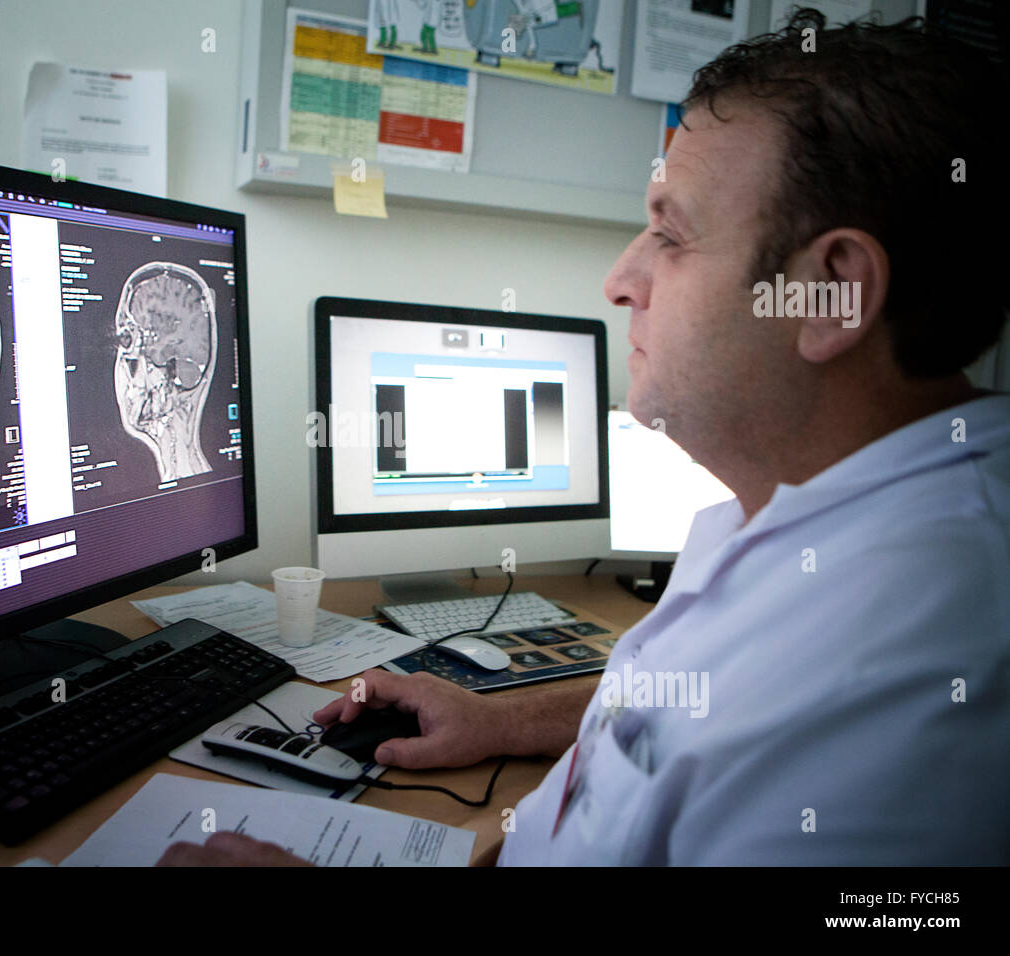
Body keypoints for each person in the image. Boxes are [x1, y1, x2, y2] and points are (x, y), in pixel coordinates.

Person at [158, 8, 1009, 866]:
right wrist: (501, 717)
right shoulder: (809, 511)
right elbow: (692, 710)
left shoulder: (907, 659)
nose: (620, 280)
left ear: (831, 291)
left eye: (670, 235)